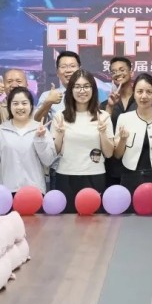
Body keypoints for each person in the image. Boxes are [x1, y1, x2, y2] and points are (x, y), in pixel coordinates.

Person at [52, 70, 114, 211]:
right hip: (66, 175)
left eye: (86, 86)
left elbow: (109, 153)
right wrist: (60, 134)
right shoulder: (60, 116)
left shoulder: (103, 116)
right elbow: (54, 151)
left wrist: (102, 133)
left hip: (95, 175)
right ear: (71, 90)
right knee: (67, 220)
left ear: (93, 89)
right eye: (77, 87)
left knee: (94, 221)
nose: (82, 91)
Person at [0, 87, 56, 194]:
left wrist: (40, 139)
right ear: (9, 106)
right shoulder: (0, 130)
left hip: (34, 191)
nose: (20, 107)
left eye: (24, 103)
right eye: (15, 103)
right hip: (7, 191)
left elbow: (48, 160)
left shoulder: (41, 129)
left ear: (31, 106)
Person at [114, 73, 152, 193]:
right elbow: (117, 155)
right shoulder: (124, 118)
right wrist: (123, 140)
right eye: (139, 91)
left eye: (149, 92)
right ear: (134, 93)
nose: (144, 96)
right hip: (129, 176)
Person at [101, 57, 136, 185]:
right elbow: (102, 131)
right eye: (114, 71)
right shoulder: (105, 105)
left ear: (131, 73)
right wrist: (110, 107)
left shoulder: (143, 102)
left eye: (122, 70)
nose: (118, 74)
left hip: (138, 165)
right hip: (112, 167)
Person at [34, 51, 80, 123]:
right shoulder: (47, 95)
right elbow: (39, 121)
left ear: (80, 70)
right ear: (57, 72)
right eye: (63, 67)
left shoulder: (89, 93)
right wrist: (48, 102)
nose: (68, 70)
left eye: (72, 66)